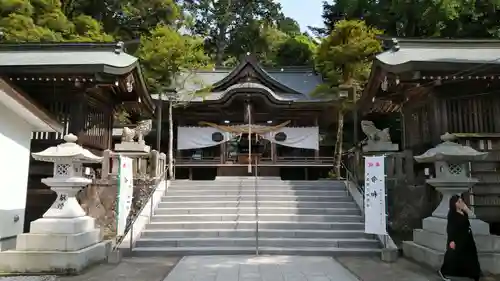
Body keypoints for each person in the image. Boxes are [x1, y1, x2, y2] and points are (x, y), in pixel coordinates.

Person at [438, 194, 481, 281]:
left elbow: (469, 221)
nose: (461, 203)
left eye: (461, 201)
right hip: (457, 238)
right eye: (459, 202)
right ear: (454, 204)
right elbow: (450, 228)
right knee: (452, 255)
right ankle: (443, 271)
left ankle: (474, 274)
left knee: (471, 256)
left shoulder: (464, 212)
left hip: (467, 238)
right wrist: (452, 240)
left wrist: (466, 208)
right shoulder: (452, 214)